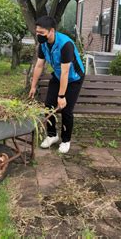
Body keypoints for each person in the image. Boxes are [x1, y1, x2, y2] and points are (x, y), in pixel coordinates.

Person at [28, 16, 85, 154]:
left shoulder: (66, 45)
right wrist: (33, 86)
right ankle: (52, 135)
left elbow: (66, 72)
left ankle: (66, 141)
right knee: (49, 106)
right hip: (59, 75)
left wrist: (61, 95)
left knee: (66, 110)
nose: (38, 35)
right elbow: (39, 66)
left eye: (42, 33)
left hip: (74, 78)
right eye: (37, 32)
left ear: (51, 31)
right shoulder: (43, 44)